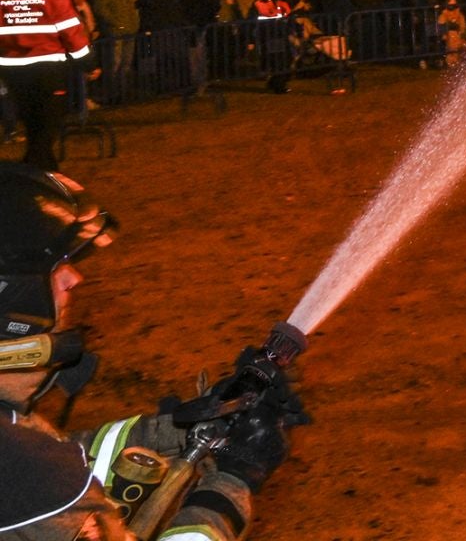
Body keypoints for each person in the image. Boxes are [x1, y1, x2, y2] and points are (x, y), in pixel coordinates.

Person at [0, 166, 301, 539]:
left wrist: (179, 428)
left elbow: (63, 457)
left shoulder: (18, 446)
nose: (74, 278)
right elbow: (46, 473)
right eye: (54, 267)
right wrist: (233, 480)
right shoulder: (30, 476)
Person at [1, 0, 94, 170]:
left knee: (31, 119)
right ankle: (35, 167)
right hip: (47, 70)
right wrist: (88, 63)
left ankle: (45, 168)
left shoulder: (3, 0)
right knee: (50, 121)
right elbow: (73, 35)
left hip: (12, 71)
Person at [91, 0, 139, 106]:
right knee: (114, 65)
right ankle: (112, 95)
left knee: (126, 65)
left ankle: (124, 94)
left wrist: (134, 23)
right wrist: (115, 23)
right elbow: (101, 9)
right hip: (116, 31)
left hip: (129, 30)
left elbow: (130, 6)